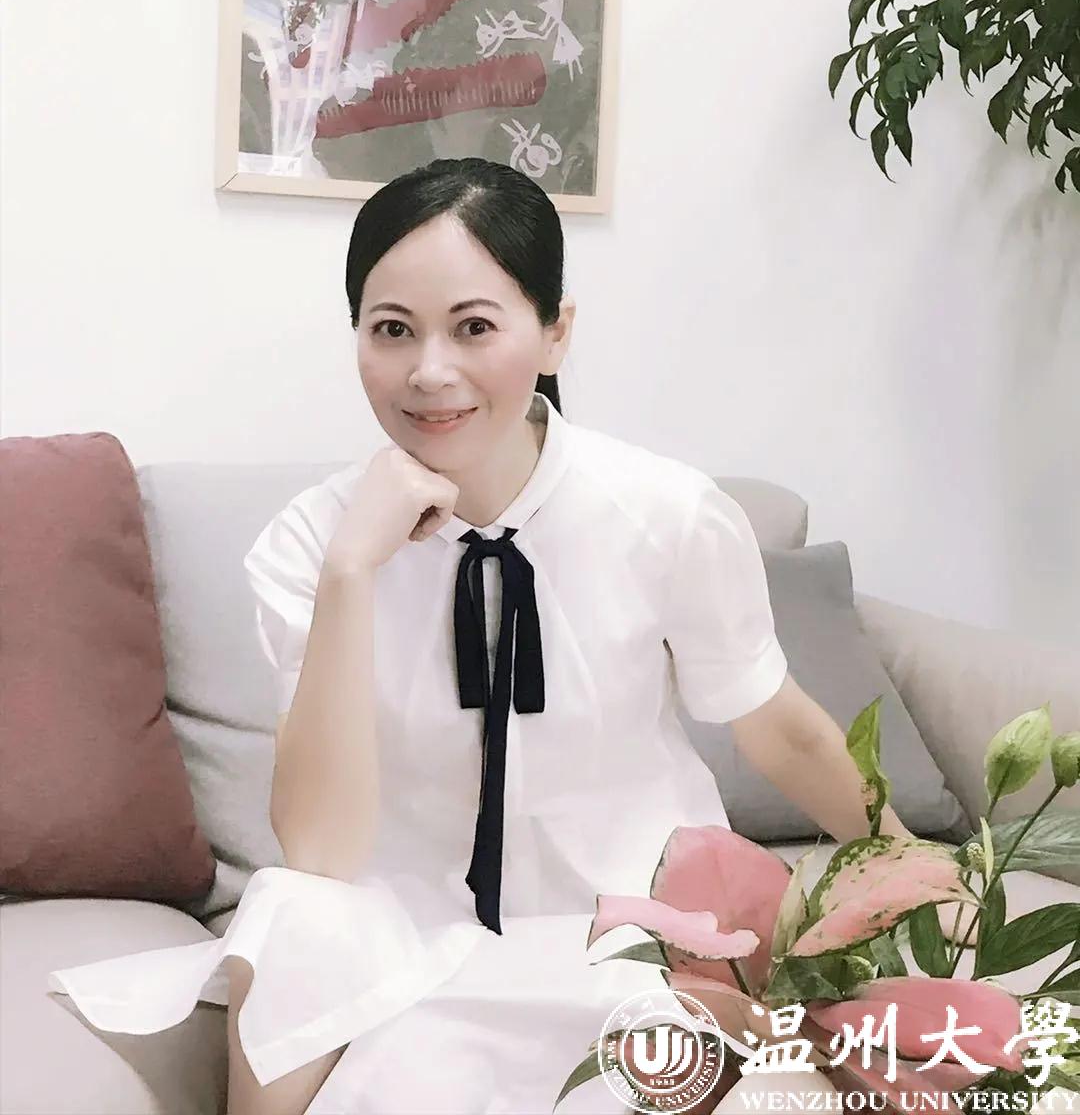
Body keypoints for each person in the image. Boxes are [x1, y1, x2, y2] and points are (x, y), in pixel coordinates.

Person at [46, 157, 926, 1115]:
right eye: (392, 330)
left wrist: (919, 865)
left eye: (474, 327)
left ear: (554, 332)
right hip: (410, 935)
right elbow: (321, 848)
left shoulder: (666, 513)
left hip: (631, 926)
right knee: (293, 913)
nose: (430, 372)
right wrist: (352, 572)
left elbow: (776, 727)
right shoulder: (313, 542)